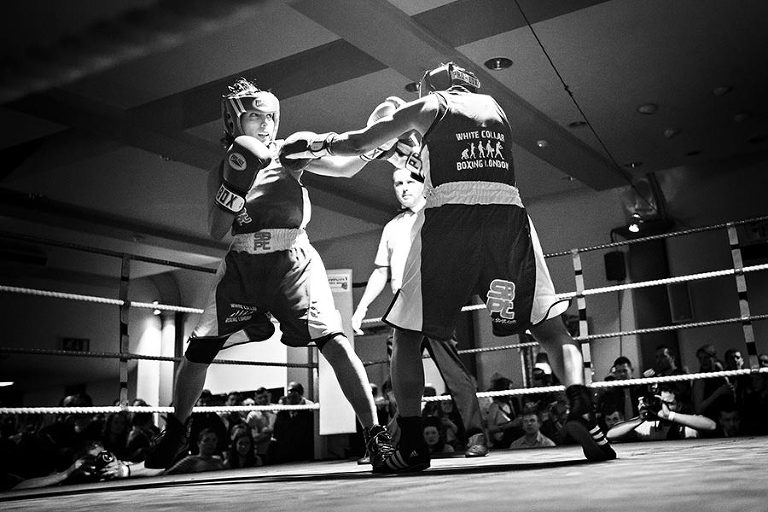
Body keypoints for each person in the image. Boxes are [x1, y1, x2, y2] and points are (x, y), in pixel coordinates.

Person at [281, 61, 616, 472]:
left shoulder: (426, 109)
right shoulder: (495, 108)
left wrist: (309, 145)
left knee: (406, 335)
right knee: (549, 327)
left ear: (427, 90)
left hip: (451, 220)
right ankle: (582, 404)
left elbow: (356, 145)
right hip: (509, 217)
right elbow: (383, 156)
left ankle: (413, 440)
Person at [145, 78, 393, 472]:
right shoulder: (222, 169)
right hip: (243, 263)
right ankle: (176, 430)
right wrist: (235, 185)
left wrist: (376, 140)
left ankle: (375, 437)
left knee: (335, 344)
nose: (266, 125)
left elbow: (344, 167)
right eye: (256, 117)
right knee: (198, 351)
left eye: (270, 116)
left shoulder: (291, 151)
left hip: (293, 261)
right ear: (233, 121)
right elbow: (216, 229)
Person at [352, 161, 488, 457]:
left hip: (435, 301)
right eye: (397, 184)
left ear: (422, 184)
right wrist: (361, 307)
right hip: (401, 309)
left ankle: (476, 437)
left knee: (454, 373)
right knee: (398, 381)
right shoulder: (391, 227)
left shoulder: (438, 215)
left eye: (409, 183)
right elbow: (380, 271)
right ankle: (393, 443)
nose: (402, 189)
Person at [606, 384, 715, 442]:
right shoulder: (649, 425)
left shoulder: (688, 423)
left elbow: (711, 425)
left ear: (679, 405)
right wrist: (639, 419)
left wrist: (670, 415)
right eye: (661, 403)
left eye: (669, 403)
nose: (665, 407)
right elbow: (611, 435)